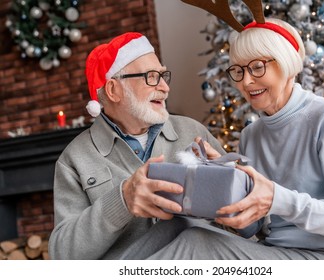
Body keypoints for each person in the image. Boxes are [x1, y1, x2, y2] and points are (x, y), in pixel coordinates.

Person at [190, 12, 324, 259]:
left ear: (287, 63)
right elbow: (254, 228)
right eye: (238, 71)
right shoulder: (251, 135)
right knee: (192, 233)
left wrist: (277, 197)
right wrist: (224, 183)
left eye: (257, 67)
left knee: (195, 243)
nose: (246, 81)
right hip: (281, 252)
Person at [48, 32, 226, 259]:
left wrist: (230, 185)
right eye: (151, 77)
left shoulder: (193, 132)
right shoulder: (74, 159)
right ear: (113, 90)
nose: (164, 87)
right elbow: (62, 256)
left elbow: (247, 220)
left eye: (163, 75)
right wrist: (122, 201)